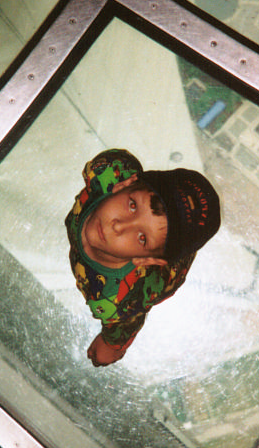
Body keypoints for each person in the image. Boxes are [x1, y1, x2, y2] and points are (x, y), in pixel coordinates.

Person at [65, 149, 221, 367]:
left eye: (141, 238)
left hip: (164, 271)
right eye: (132, 205)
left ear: (146, 260)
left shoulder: (116, 300)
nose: (118, 226)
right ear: (124, 184)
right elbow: (117, 160)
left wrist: (113, 346)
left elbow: (125, 326)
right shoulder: (106, 171)